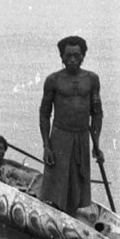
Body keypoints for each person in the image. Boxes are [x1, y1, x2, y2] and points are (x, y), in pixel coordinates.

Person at [38, 35, 104, 215]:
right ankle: (54, 214)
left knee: (77, 183)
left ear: (83, 56)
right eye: (68, 56)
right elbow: (44, 113)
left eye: (76, 55)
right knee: (56, 183)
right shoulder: (53, 80)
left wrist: (96, 144)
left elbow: (97, 112)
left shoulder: (91, 79)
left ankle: (71, 215)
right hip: (59, 136)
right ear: (61, 57)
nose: (72, 59)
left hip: (82, 136)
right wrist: (46, 146)